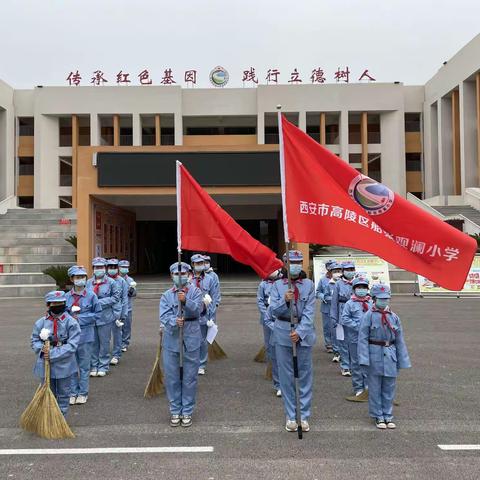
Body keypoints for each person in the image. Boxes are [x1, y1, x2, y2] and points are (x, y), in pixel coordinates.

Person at [270, 250, 316, 433]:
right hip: (283, 333)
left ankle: (304, 416)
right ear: (285, 264)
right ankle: (290, 415)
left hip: (302, 334)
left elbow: (310, 312)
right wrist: (285, 301)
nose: (296, 265)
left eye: (299, 261)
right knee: (286, 377)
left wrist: (301, 331)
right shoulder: (277, 286)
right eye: (292, 262)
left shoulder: (309, 285)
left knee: (304, 376)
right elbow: (273, 311)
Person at [358, 284, 411, 429]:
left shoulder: (394, 317)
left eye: (386, 299)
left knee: (389, 388)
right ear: (374, 299)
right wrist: (363, 359)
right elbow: (362, 338)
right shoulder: (368, 316)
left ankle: (388, 415)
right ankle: (378, 416)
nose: (384, 301)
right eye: (381, 299)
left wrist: (403, 360)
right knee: (374, 388)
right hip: (374, 354)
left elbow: (400, 340)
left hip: (390, 355)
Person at [160, 261, 203, 428]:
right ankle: (175, 409)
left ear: (189, 275)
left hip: (191, 337)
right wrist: (173, 321)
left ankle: (187, 410)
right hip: (172, 339)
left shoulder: (196, 292)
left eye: (183, 273)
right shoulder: (166, 295)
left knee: (190, 377)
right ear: (172, 276)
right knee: (172, 378)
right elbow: (163, 316)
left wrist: (185, 301)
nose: (180, 277)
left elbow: (198, 310)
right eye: (177, 274)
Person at [30, 291, 81, 416]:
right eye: (54, 303)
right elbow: (34, 340)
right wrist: (42, 351)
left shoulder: (71, 322)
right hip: (45, 362)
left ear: (65, 304)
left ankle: (62, 417)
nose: (58, 305)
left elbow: (72, 345)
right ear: (48, 305)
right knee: (47, 392)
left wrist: (53, 354)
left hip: (65, 363)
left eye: (61, 303)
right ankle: (50, 418)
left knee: (64, 393)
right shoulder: (41, 322)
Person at [65, 266, 101, 405]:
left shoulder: (91, 296)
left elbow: (97, 314)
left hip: (86, 335)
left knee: (84, 367)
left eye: (83, 277)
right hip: (70, 337)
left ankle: (83, 392)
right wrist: (69, 319)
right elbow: (62, 314)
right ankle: (73, 392)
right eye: (77, 277)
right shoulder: (66, 297)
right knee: (72, 367)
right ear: (72, 279)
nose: (80, 280)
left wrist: (80, 319)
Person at [87, 257, 121, 377]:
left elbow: (116, 298)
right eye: (96, 267)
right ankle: (94, 365)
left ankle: (103, 365)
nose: (99, 270)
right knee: (93, 343)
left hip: (105, 317)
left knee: (104, 343)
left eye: (101, 267)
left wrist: (98, 302)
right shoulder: (88, 283)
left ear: (105, 268)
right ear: (93, 269)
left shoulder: (111, 283)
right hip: (91, 317)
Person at [340, 276, 372, 402]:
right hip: (355, 337)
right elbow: (345, 318)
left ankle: (369, 386)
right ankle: (358, 387)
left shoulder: (371, 303)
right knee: (356, 363)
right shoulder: (350, 303)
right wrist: (359, 327)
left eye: (364, 287)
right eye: (359, 287)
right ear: (354, 289)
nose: (362, 290)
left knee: (369, 362)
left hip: (370, 338)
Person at [190, 253, 218, 375]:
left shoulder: (210, 279)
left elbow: (215, 297)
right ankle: (191, 363)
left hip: (204, 314)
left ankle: (201, 364)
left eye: (202, 263)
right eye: (198, 263)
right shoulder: (188, 278)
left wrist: (211, 316)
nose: (200, 265)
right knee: (190, 340)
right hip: (190, 313)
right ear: (193, 265)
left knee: (202, 341)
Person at [257, 269, 283, 397]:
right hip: (267, 319)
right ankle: (273, 372)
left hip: (282, 318)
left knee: (284, 347)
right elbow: (260, 301)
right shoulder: (263, 284)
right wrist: (267, 314)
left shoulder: (283, 283)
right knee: (270, 346)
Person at [330, 261, 356, 376]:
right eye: (348, 269)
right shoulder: (338, 284)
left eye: (352, 269)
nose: (350, 272)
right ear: (343, 271)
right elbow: (334, 303)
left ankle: (355, 365)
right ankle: (345, 366)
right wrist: (334, 318)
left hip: (355, 317)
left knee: (354, 343)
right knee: (343, 343)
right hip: (341, 317)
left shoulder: (358, 283)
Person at [107, 258, 128, 366]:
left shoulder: (122, 281)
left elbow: (124, 299)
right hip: (104, 311)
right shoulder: (103, 281)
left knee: (117, 334)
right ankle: (104, 355)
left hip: (117, 311)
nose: (112, 269)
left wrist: (123, 314)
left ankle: (116, 355)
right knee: (104, 336)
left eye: (114, 267)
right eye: (110, 267)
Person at [315, 259, 337, 353]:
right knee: (327, 326)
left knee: (337, 326)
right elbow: (317, 292)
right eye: (332, 269)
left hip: (338, 307)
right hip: (326, 307)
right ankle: (329, 344)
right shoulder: (323, 280)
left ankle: (338, 344)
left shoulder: (339, 279)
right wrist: (323, 296)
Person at [118, 260, 136, 352]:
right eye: (122, 267)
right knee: (117, 327)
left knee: (127, 326)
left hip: (128, 307)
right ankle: (118, 343)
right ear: (119, 268)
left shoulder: (130, 280)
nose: (124, 269)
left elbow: (134, 294)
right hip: (117, 308)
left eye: (126, 267)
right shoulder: (115, 280)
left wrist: (132, 291)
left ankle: (125, 343)